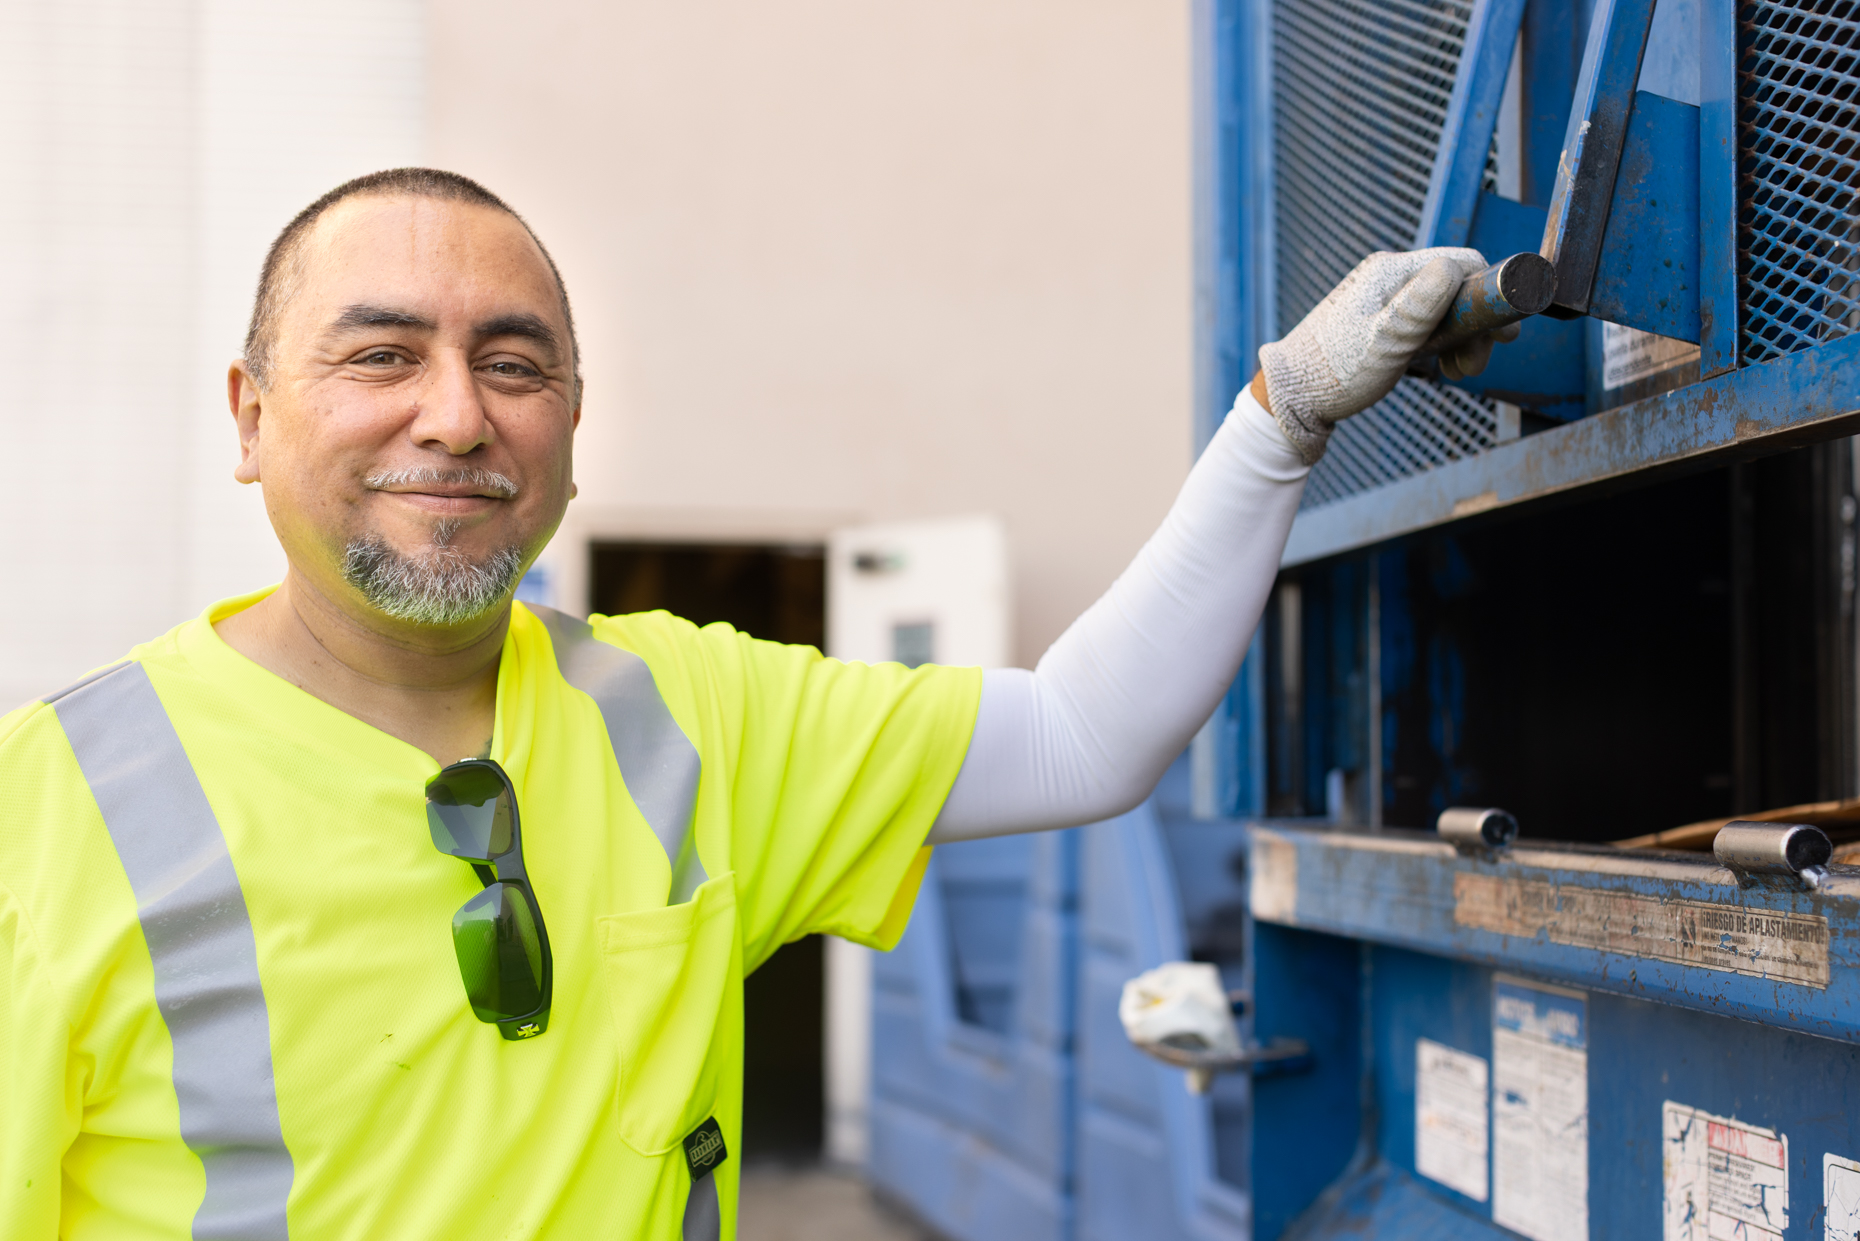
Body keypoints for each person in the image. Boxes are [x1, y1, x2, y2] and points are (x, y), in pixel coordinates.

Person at [0, 167, 1505, 1241]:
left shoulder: (686, 712)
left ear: (571, 427)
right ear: (250, 414)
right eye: (381, 354)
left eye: (513, 365)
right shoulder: (51, 803)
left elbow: (1082, 734)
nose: (455, 415)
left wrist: (1279, 418)